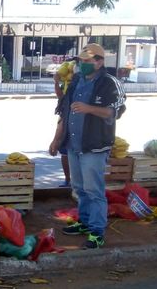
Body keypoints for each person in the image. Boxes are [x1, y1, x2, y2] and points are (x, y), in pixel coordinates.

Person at [48, 43, 126, 249]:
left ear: (99, 62)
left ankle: (97, 231)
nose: (82, 64)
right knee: (80, 188)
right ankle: (84, 222)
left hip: (95, 146)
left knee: (94, 190)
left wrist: (89, 109)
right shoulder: (76, 81)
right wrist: (57, 139)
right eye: (81, 61)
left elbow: (114, 111)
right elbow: (65, 108)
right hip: (74, 144)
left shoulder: (110, 83)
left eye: (87, 61)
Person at [53, 57, 78, 188]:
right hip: (65, 117)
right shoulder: (67, 83)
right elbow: (60, 97)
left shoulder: (82, 83)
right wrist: (56, 82)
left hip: (77, 123)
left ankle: (76, 181)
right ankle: (68, 179)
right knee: (64, 152)